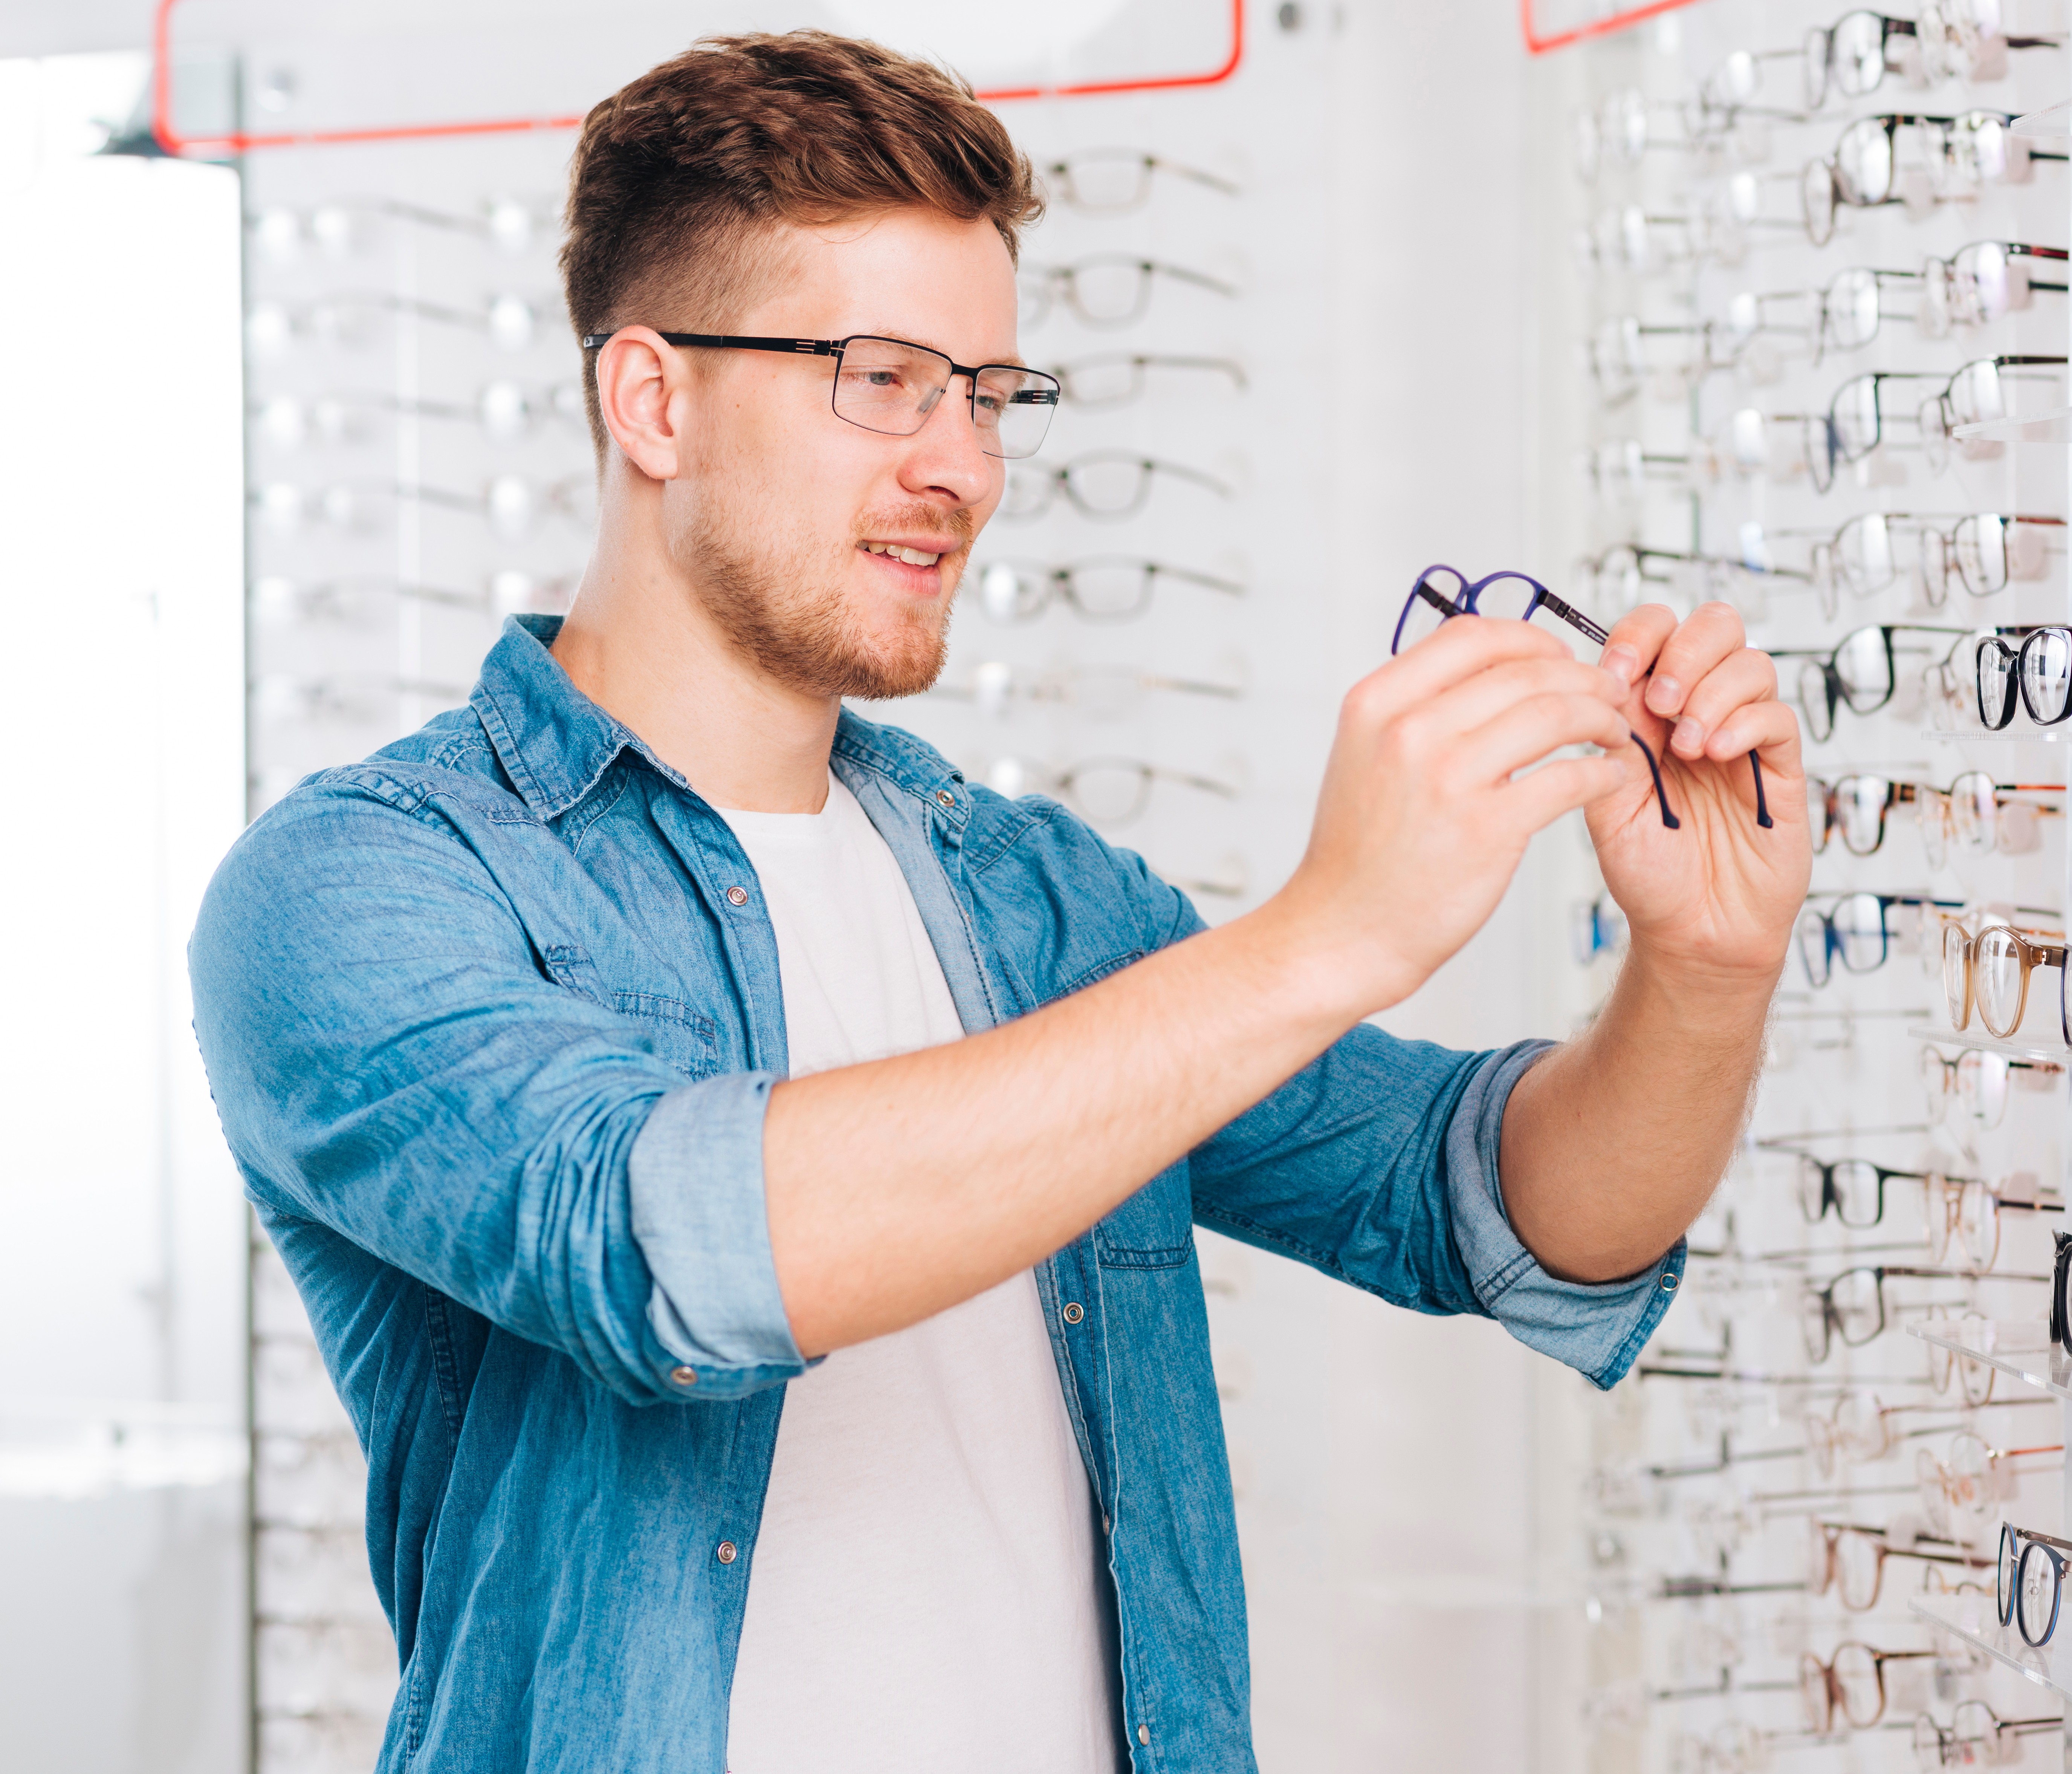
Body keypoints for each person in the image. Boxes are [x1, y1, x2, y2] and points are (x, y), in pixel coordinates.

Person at [189, 29, 1808, 1774]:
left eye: (989, 391)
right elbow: (669, 1252)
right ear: (652, 399)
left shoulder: (1038, 902)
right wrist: (1325, 932)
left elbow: (1496, 1207)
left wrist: (1705, 971)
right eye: (881, 377)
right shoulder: (358, 887)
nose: (962, 464)